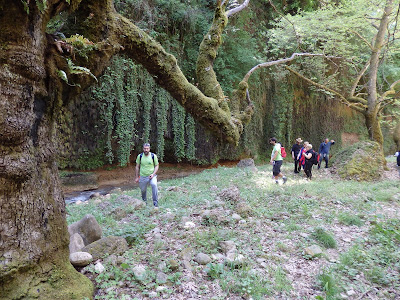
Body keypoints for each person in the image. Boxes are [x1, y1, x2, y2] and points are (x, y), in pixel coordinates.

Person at [135, 143, 159, 207]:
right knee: (143, 190)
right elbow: (137, 167)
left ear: (149, 149)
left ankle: (155, 203)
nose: (146, 150)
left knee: (154, 185)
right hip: (142, 176)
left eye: (147, 148)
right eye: (145, 148)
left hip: (152, 176)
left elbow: (156, 166)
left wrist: (153, 174)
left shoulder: (153, 156)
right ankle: (144, 202)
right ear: (143, 149)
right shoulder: (140, 156)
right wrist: (137, 177)